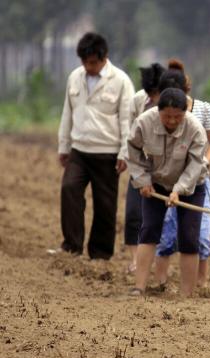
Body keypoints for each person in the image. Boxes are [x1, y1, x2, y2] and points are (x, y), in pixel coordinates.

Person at [56, 32, 134, 259]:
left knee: (105, 205)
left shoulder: (120, 81)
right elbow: (67, 113)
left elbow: (127, 120)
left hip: (107, 153)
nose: (87, 67)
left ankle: (100, 254)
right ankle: (71, 246)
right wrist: (64, 146)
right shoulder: (75, 78)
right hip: (79, 150)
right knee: (69, 190)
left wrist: (124, 152)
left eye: (92, 62)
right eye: (84, 62)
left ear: (104, 57)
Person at [126, 88, 208, 297]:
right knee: (149, 229)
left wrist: (179, 190)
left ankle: (186, 294)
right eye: (167, 116)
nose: (172, 121)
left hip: (191, 186)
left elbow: (195, 165)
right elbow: (133, 151)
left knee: (189, 236)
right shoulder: (144, 122)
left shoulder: (196, 129)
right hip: (157, 183)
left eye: (177, 117)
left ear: (185, 112)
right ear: (158, 110)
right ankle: (139, 287)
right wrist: (142, 180)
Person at [151, 60, 210, 290]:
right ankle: (160, 282)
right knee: (167, 230)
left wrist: (204, 163)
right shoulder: (157, 114)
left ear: (186, 89)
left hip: (197, 181)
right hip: (167, 180)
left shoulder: (204, 110)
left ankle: (198, 283)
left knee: (198, 232)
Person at [124, 62, 166, 272]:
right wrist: (126, 159)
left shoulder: (173, 105)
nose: (154, 98)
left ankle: (159, 262)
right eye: (151, 93)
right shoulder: (138, 101)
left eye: (157, 93)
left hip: (164, 168)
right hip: (140, 163)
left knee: (159, 219)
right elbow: (130, 134)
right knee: (133, 212)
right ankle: (135, 260)